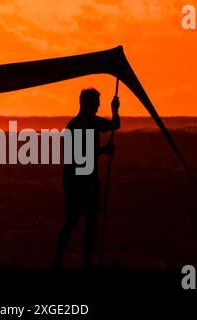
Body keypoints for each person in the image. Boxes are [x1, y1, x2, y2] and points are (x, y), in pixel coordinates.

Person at [55, 88, 121, 268]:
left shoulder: (73, 125)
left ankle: (60, 262)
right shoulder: (87, 122)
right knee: (85, 222)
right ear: (88, 104)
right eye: (96, 102)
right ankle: (85, 263)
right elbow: (115, 125)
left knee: (73, 221)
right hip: (83, 179)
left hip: (73, 178)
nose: (99, 106)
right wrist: (115, 110)